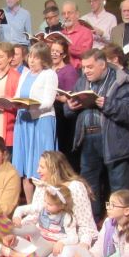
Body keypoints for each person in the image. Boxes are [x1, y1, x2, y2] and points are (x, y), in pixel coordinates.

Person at [64, 49, 129, 220]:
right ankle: (90, 221)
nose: (86, 71)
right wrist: (69, 107)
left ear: (103, 64)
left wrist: (107, 104)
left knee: (118, 187)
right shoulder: (82, 82)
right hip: (88, 140)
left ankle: (122, 224)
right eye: (84, 68)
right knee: (89, 185)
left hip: (115, 141)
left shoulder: (124, 81)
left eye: (90, 67)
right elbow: (68, 111)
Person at [0, 185, 77, 257]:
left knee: (67, 253)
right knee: (32, 228)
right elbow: (21, 209)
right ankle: (11, 230)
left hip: (52, 250)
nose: (45, 205)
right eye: (45, 201)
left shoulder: (67, 217)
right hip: (37, 240)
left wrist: (61, 242)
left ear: (61, 206)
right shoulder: (42, 208)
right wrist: (17, 217)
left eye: (50, 204)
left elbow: (74, 238)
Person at [12, 42, 58, 203]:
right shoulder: (24, 73)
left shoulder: (49, 74)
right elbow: (18, 95)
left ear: (44, 59)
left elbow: (48, 102)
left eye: (36, 58)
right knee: (25, 168)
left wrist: (32, 107)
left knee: (40, 166)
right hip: (24, 121)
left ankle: (45, 205)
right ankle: (31, 206)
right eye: (30, 56)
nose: (32, 60)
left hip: (41, 121)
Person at [51, 38, 80, 168]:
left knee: (62, 148)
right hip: (49, 112)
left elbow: (70, 98)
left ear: (64, 54)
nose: (54, 53)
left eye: (58, 51)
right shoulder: (47, 68)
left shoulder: (69, 70)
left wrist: (54, 95)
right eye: (52, 50)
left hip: (62, 115)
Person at [60, 1, 94, 69]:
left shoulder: (86, 32)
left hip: (78, 71)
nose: (66, 16)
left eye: (69, 13)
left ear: (77, 14)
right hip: (61, 70)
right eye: (64, 14)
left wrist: (67, 48)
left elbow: (86, 54)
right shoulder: (61, 33)